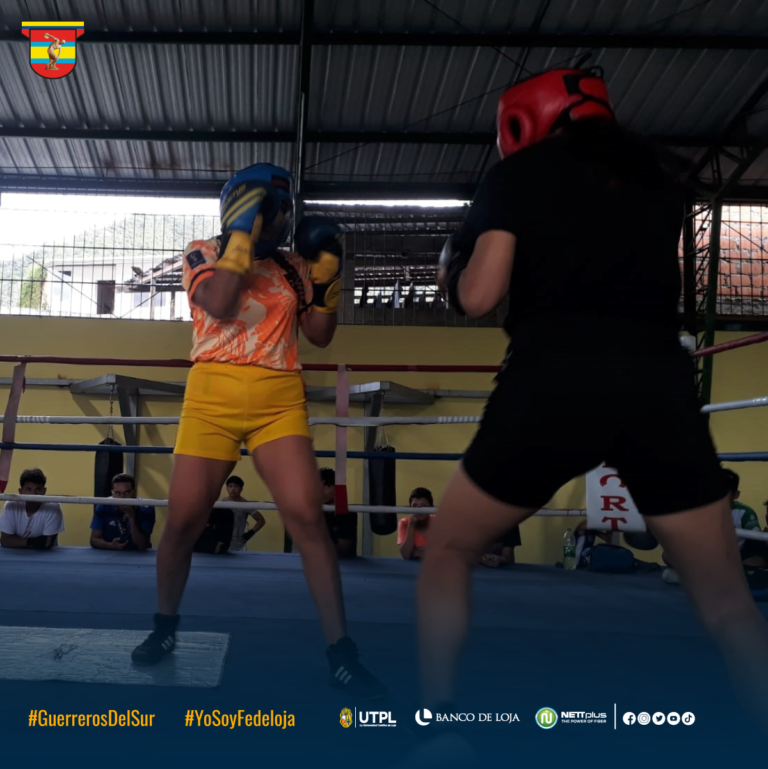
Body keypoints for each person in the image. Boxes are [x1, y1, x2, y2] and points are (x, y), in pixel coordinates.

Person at [420, 66, 768, 718]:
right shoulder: (656, 180)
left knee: (449, 550)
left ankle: (440, 728)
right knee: (725, 599)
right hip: (657, 385)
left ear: (524, 122)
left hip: (552, 380)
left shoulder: (517, 177)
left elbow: (480, 296)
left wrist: (449, 269)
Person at [131, 163, 385, 699]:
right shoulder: (201, 252)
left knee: (307, 519)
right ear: (242, 209)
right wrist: (242, 234)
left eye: (284, 211)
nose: (282, 219)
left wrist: (331, 273)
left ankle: (342, 651)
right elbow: (221, 304)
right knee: (182, 524)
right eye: (272, 209)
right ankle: (165, 628)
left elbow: (319, 335)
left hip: (278, 398)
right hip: (210, 398)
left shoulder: (295, 266)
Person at [664, 469, 768, 579]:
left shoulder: (745, 512)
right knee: (668, 555)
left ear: (735, 495)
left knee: (757, 561)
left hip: (737, 558)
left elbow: (756, 540)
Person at [0, 468, 64, 549]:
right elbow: (5, 540)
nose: (33, 494)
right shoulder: (11, 505)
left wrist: (17, 541)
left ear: (44, 491)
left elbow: (47, 542)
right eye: (28, 489)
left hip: (45, 556)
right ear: (20, 491)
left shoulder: (53, 506)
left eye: (38, 489)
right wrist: (32, 542)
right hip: (15, 554)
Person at [90, 473, 155, 551]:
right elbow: (93, 539)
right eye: (118, 493)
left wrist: (131, 518)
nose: (122, 497)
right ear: (113, 493)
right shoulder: (104, 505)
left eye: (127, 493)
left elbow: (142, 545)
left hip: (138, 555)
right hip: (111, 553)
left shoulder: (146, 507)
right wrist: (110, 545)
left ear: (135, 492)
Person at [321, 468, 357, 559]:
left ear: (335, 487)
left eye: (326, 486)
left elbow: (341, 552)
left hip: (345, 567)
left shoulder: (347, 515)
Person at [224, 476, 266, 552]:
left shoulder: (245, 505)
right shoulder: (221, 503)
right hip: (222, 543)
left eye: (236, 486)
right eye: (230, 486)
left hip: (239, 545)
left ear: (241, 489)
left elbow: (261, 520)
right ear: (227, 488)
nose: (233, 489)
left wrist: (250, 533)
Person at [397, 488, 435, 561]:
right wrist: (411, 526)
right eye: (414, 506)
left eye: (424, 506)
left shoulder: (438, 521)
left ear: (431, 508)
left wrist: (416, 552)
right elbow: (406, 555)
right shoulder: (404, 523)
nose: (419, 510)